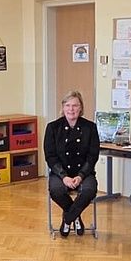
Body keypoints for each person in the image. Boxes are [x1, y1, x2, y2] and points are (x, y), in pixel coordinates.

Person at [44, 90, 100, 237]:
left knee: (89, 190)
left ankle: (68, 219)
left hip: (84, 172)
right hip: (60, 172)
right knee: (56, 190)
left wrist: (81, 176)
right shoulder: (53, 128)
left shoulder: (90, 127)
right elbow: (50, 157)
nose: (71, 109)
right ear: (62, 108)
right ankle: (75, 216)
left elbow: (92, 156)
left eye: (75, 105)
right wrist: (64, 177)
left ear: (81, 107)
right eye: (68, 105)